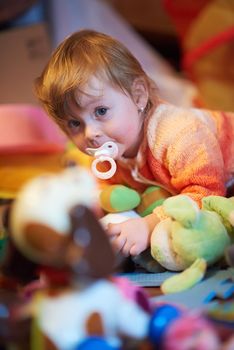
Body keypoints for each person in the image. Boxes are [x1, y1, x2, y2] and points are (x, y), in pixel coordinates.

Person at [35, 29, 234, 258]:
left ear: (138, 95)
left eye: (101, 111)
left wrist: (149, 226)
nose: (90, 133)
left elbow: (207, 193)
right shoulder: (107, 152)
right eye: (74, 123)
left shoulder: (179, 134)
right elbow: (106, 192)